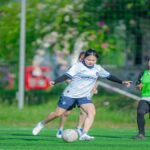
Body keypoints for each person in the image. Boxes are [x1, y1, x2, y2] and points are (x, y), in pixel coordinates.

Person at [32, 49, 131, 141]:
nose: (91, 61)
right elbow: (67, 75)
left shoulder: (98, 68)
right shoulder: (78, 66)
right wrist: (55, 81)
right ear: (84, 58)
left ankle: (84, 134)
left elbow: (109, 76)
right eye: (88, 59)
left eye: (93, 60)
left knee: (91, 112)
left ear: (96, 60)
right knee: (58, 114)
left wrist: (122, 82)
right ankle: (41, 123)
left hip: (83, 96)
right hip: (70, 95)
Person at [56, 51, 98, 138]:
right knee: (66, 112)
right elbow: (67, 79)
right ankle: (60, 128)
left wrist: (93, 88)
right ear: (80, 58)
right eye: (83, 58)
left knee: (84, 112)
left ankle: (79, 128)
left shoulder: (91, 68)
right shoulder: (75, 67)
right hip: (72, 94)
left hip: (83, 94)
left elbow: (91, 80)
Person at [134, 58, 150, 139]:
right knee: (140, 112)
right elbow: (137, 85)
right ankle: (141, 134)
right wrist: (138, 86)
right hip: (145, 98)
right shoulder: (143, 73)